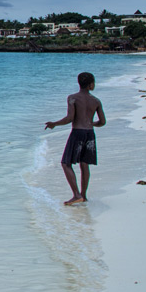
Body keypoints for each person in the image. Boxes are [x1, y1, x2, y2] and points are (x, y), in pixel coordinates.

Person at [44, 72, 106, 205]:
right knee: (84, 164)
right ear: (91, 84)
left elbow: (69, 118)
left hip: (77, 133)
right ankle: (83, 195)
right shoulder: (96, 101)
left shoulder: (72, 98)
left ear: (79, 83)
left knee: (66, 163)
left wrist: (54, 123)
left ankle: (76, 194)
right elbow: (102, 122)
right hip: (90, 134)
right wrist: (91, 123)